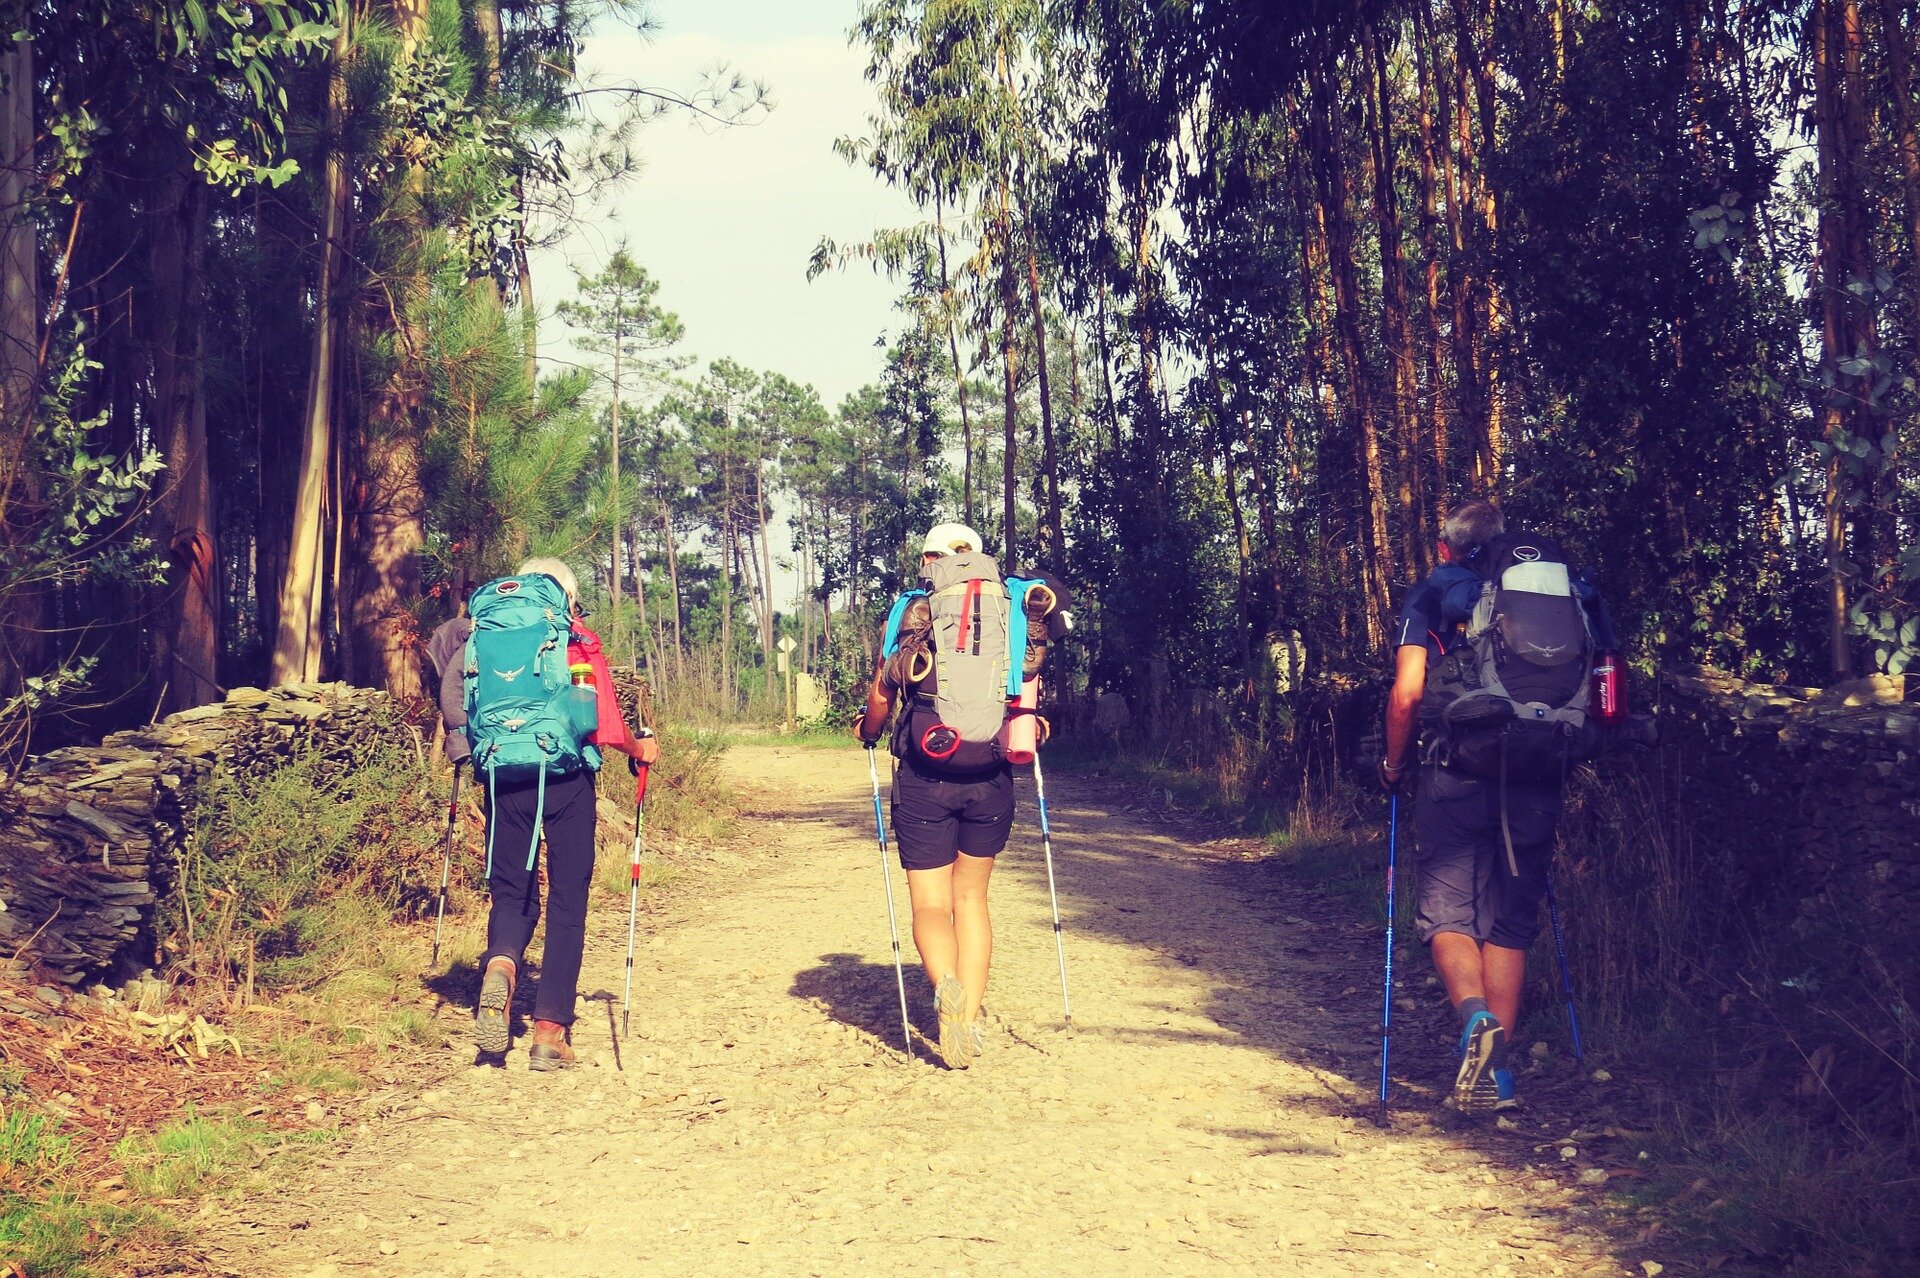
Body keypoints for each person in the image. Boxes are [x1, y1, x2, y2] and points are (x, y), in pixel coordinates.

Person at [1379, 500, 1611, 1114]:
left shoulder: (1435, 595)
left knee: (1450, 914)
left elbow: (1406, 694)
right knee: (1511, 919)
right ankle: (1499, 1079)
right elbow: (1608, 681)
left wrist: (1394, 766)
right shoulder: (1571, 595)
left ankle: (1476, 1021)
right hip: (1541, 764)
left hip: (1455, 770)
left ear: (1449, 548)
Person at [435, 557, 659, 1070]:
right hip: (566, 779)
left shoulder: (482, 632)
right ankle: (548, 1032)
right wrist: (639, 749)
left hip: (502, 774)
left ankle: (501, 965)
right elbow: (601, 721)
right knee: (567, 900)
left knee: (512, 890)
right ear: (567, 596)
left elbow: (457, 698)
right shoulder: (572, 636)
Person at [853, 522, 1017, 1070]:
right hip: (991, 772)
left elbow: (883, 690)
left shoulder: (911, 611)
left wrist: (868, 730)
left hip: (926, 772)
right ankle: (967, 1021)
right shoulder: (1009, 611)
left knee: (930, 903)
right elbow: (1023, 686)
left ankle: (945, 985)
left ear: (933, 560)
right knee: (973, 899)